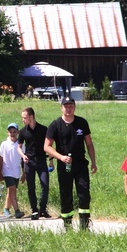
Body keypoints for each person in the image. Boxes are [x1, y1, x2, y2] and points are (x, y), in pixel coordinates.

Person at [44, 96, 97, 228]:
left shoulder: (82, 123)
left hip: (80, 164)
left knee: (84, 193)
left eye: (71, 106)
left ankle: (84, 224)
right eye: (66, 106)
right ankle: (67, 225)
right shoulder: (55, 125)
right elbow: (47, 147)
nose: (68, 109)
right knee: (66, 194)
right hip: (64, 165)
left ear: (74, 107)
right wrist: (60, 157)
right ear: (61, 108)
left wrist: (93, 162)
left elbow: (89, 144)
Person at [17, 107, 52, 220]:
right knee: (31, 187)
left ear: (31, 117)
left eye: (24, 117)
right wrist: (23, 156)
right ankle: (34, 210)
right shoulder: (22, 131)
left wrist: (51, 160)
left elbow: (49, 146)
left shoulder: (43, 129)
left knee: (45, 185)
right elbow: (19, 147)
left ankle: (43, 209)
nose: (23, 120)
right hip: (29, 162)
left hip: (41, 160)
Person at [0, 123, 25, 219]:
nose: (12, 134)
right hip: (7, 170)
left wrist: (24, 173)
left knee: (11, 191)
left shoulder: (20, 145)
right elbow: (0, 158)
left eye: (14, 132)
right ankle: (17, 211)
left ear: (18, 132)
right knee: (12, 189)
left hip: (16, 172)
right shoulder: (4, 144)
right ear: (8, 133)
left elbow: (23, 160)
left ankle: (6, 209)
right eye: (10, 132)